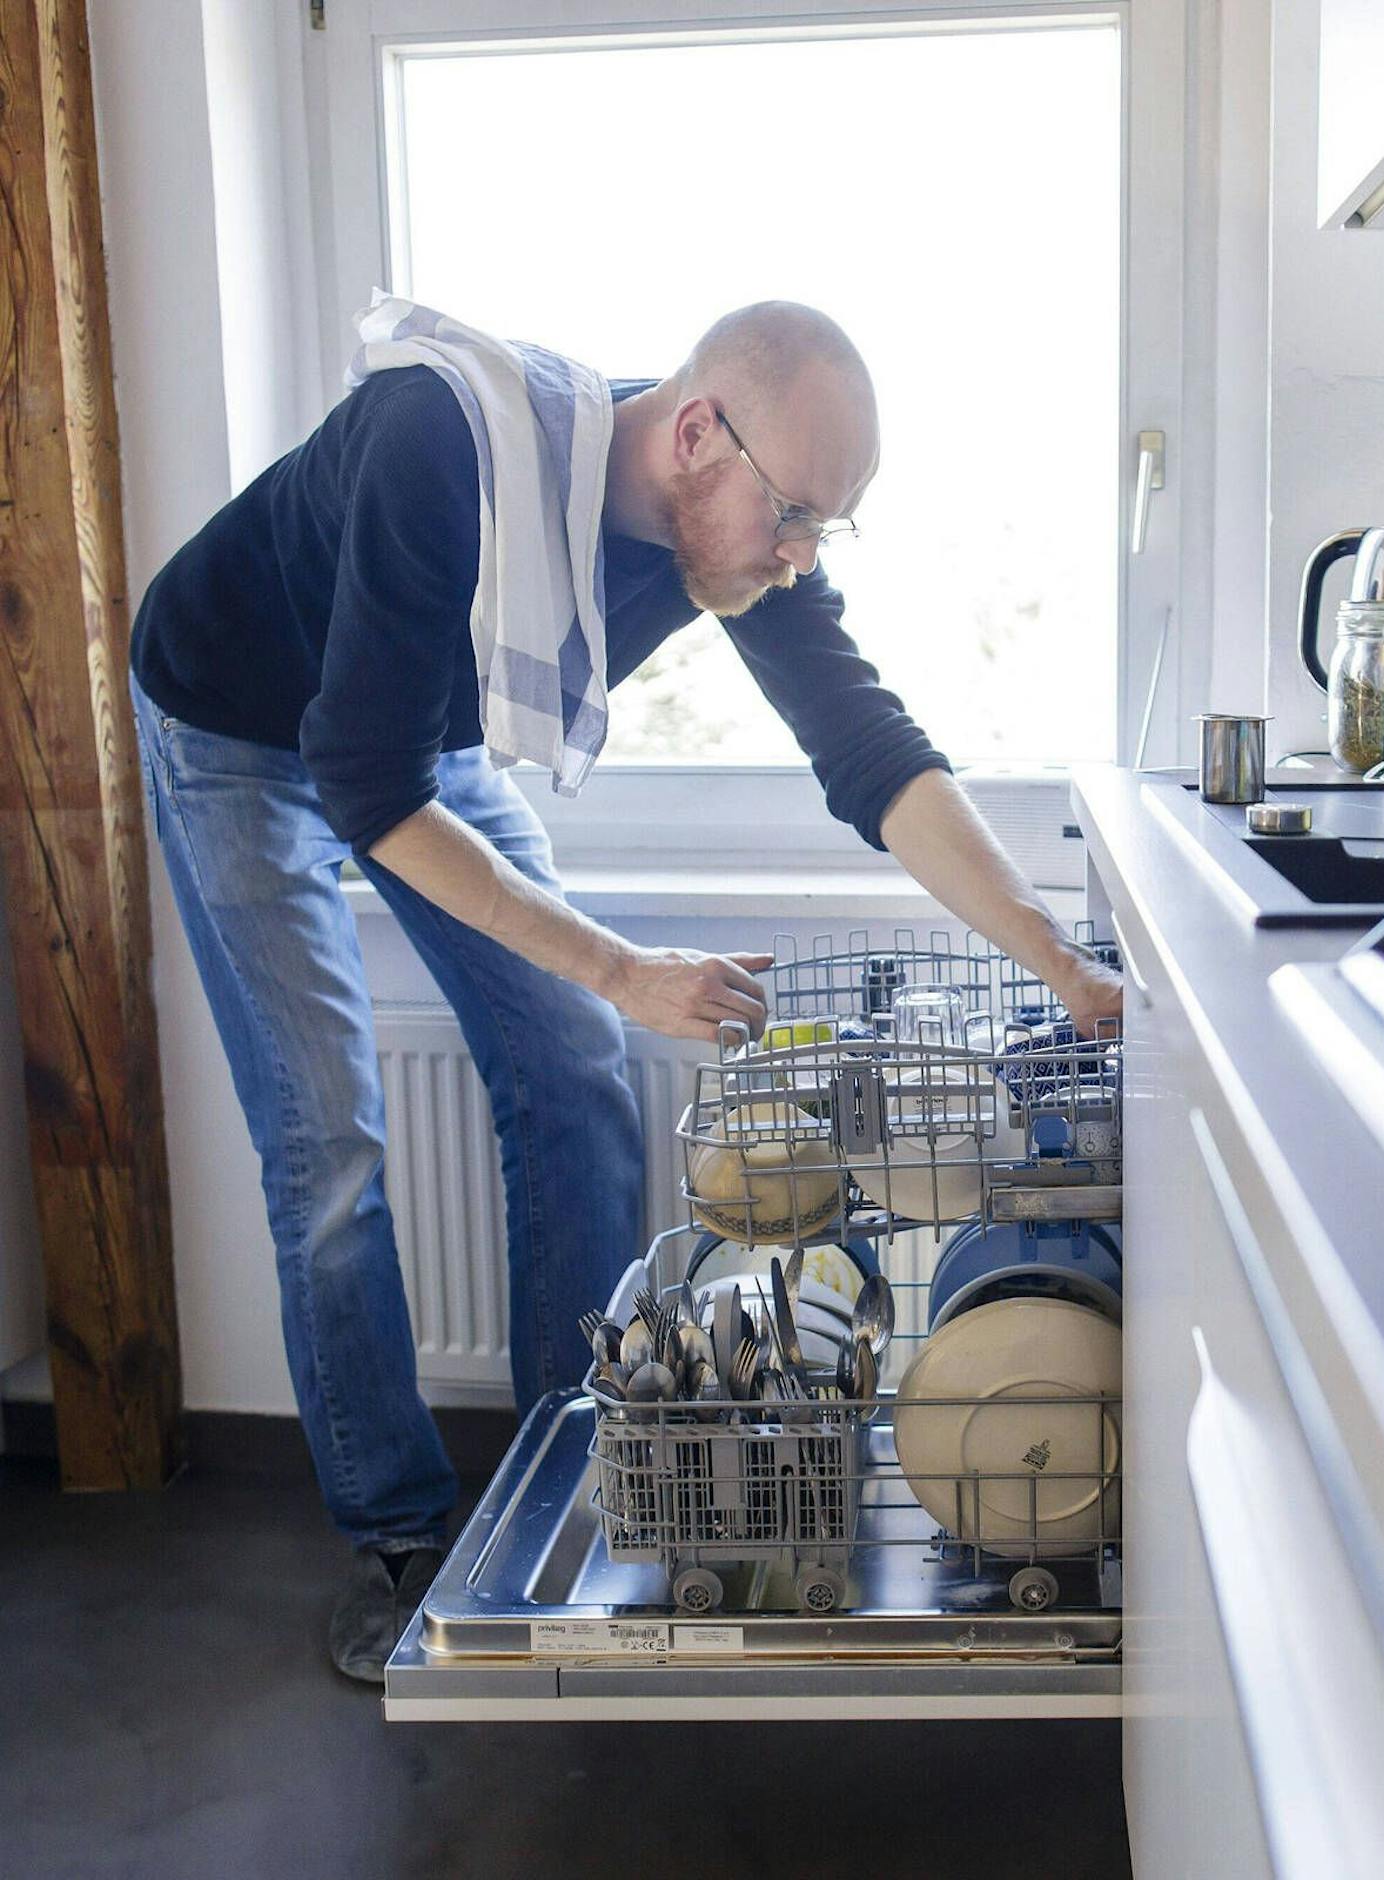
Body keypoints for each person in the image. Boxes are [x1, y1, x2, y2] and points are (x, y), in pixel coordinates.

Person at [127, 300, 1122, 1681]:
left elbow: (870, 749)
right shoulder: (440, 449)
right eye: (795, 517)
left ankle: (577, 1471)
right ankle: (398, 1538)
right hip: (233, 728)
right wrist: (619, 965)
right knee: (329, 1151)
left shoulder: (732, 526)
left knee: (573, 1061)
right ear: (697, 433)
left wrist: (1060, 961)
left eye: (826, 529)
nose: (799, 556)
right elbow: (369, 794)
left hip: (416, 733)